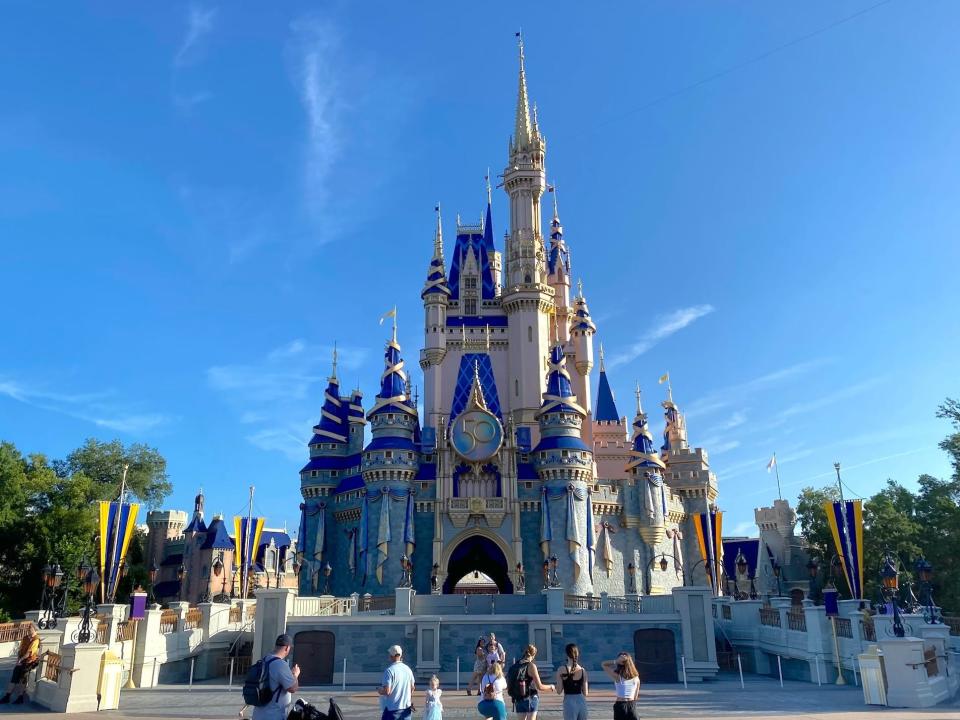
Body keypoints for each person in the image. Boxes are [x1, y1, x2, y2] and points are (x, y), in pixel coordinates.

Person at [252, 634, 300, 720]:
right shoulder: (280, 664)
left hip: (258, 714)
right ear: (287, 648)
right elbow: (292, 688)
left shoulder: (264, 660)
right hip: (273, 715)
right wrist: (295, 674)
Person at [510, 644, 554, 720]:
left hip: (518, 699)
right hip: (530, 698)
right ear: (533, 655)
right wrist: (551, 686)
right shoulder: (531, 666)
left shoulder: (516, 665)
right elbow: (540, 686)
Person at [0, 623, 40, 705]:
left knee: (22, 680)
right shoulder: (25, 638)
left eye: (30, 628)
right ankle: (7, 697)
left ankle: (20, 697)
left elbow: (29, 653)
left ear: (35, 629)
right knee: (14, 678)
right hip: (21, 660)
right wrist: (18, 660)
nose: (28, 629)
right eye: (28, 628)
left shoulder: (36, 639)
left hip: (28, 662)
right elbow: (20, 649)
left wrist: (20, 660)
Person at [378, 644, 416, 720]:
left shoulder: (389, 671)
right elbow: (412, 687)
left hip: (392, 708)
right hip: (406, 708)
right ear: (401, 655)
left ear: (391, 656)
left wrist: (380, 691)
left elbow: (387, 691)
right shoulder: (408, 669)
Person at [601, 652, 640, 720]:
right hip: (632, 705)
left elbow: (604, 664)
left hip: (621, 705)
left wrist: (616, 661)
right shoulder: (636, 678)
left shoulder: (618, 677)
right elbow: (635, 697)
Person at [555, 643, 589, 720]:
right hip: (581, 701)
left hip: (569, 701)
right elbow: (586, 693)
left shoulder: (561, 670)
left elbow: (559, 691)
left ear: (566, 654)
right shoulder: (583, 670)